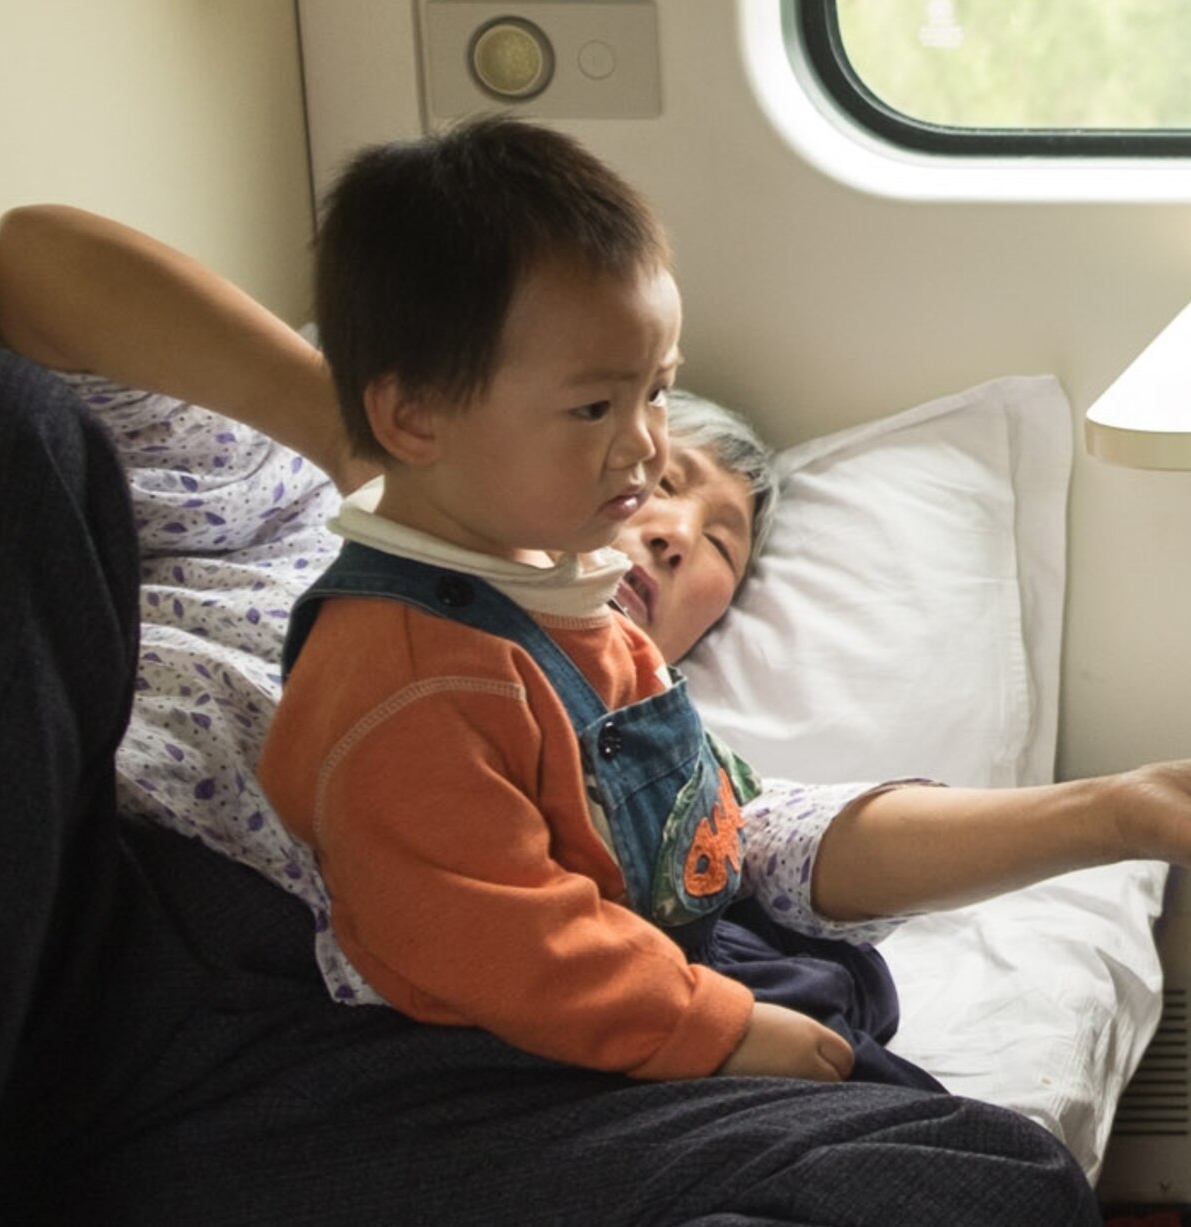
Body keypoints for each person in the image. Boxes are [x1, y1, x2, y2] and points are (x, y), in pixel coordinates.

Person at [0, 200, 1191, 1227]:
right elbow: (35, 257)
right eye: (636, 464)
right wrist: (386, 467)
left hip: (268, 1122)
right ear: (446, 411)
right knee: (6, 431)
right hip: (61, 901)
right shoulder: (286, 502)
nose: (665, 523)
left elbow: (778, 842)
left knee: (981, 1201)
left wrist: (1121, 812)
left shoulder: (622, 731)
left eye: (713, 551)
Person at [259, 118, 887, 1086]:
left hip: (642, 986)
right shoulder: (407, 679)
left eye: (659, 392)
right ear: (413, 416)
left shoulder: (561, 587)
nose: (641, 445)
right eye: (596, 407)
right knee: (979, 1184)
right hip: (509, 1067)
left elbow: (706, 817)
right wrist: (721, 1029)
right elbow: (516, 943)